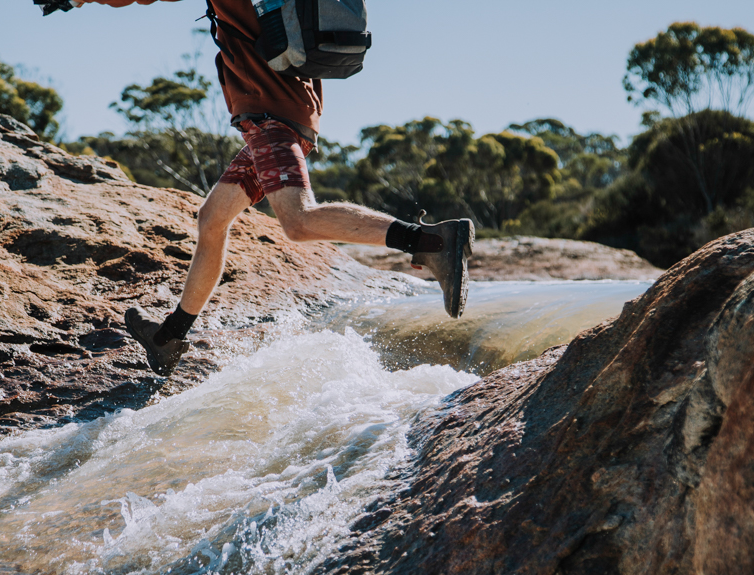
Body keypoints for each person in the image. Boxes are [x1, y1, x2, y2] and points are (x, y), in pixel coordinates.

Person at [74, 0, 474, 377]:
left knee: (298, 221)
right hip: (283, 113)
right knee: (212, 219)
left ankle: (430, 241)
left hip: (271, 117)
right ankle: (169, 338)